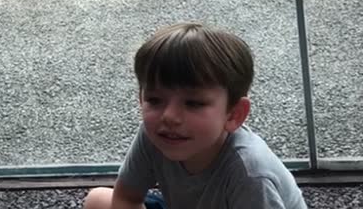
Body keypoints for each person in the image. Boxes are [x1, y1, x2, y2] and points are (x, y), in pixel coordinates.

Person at [83, 22, 307, 209]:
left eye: (193, 103)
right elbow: (127, 198)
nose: (169, 116)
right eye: (155, 100)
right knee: (98, 201)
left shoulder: (251, 174)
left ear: (234, 115)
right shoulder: (154, 135)